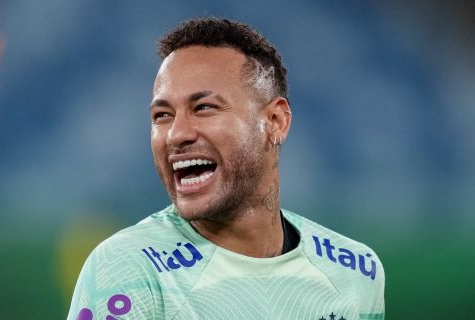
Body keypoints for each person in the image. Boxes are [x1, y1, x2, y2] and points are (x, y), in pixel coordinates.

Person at [68, 18, 385, 320]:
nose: (177, 134)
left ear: (275, 122)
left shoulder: (356, 272)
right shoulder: (129, 271)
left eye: (203, 108)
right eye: (162, 115)